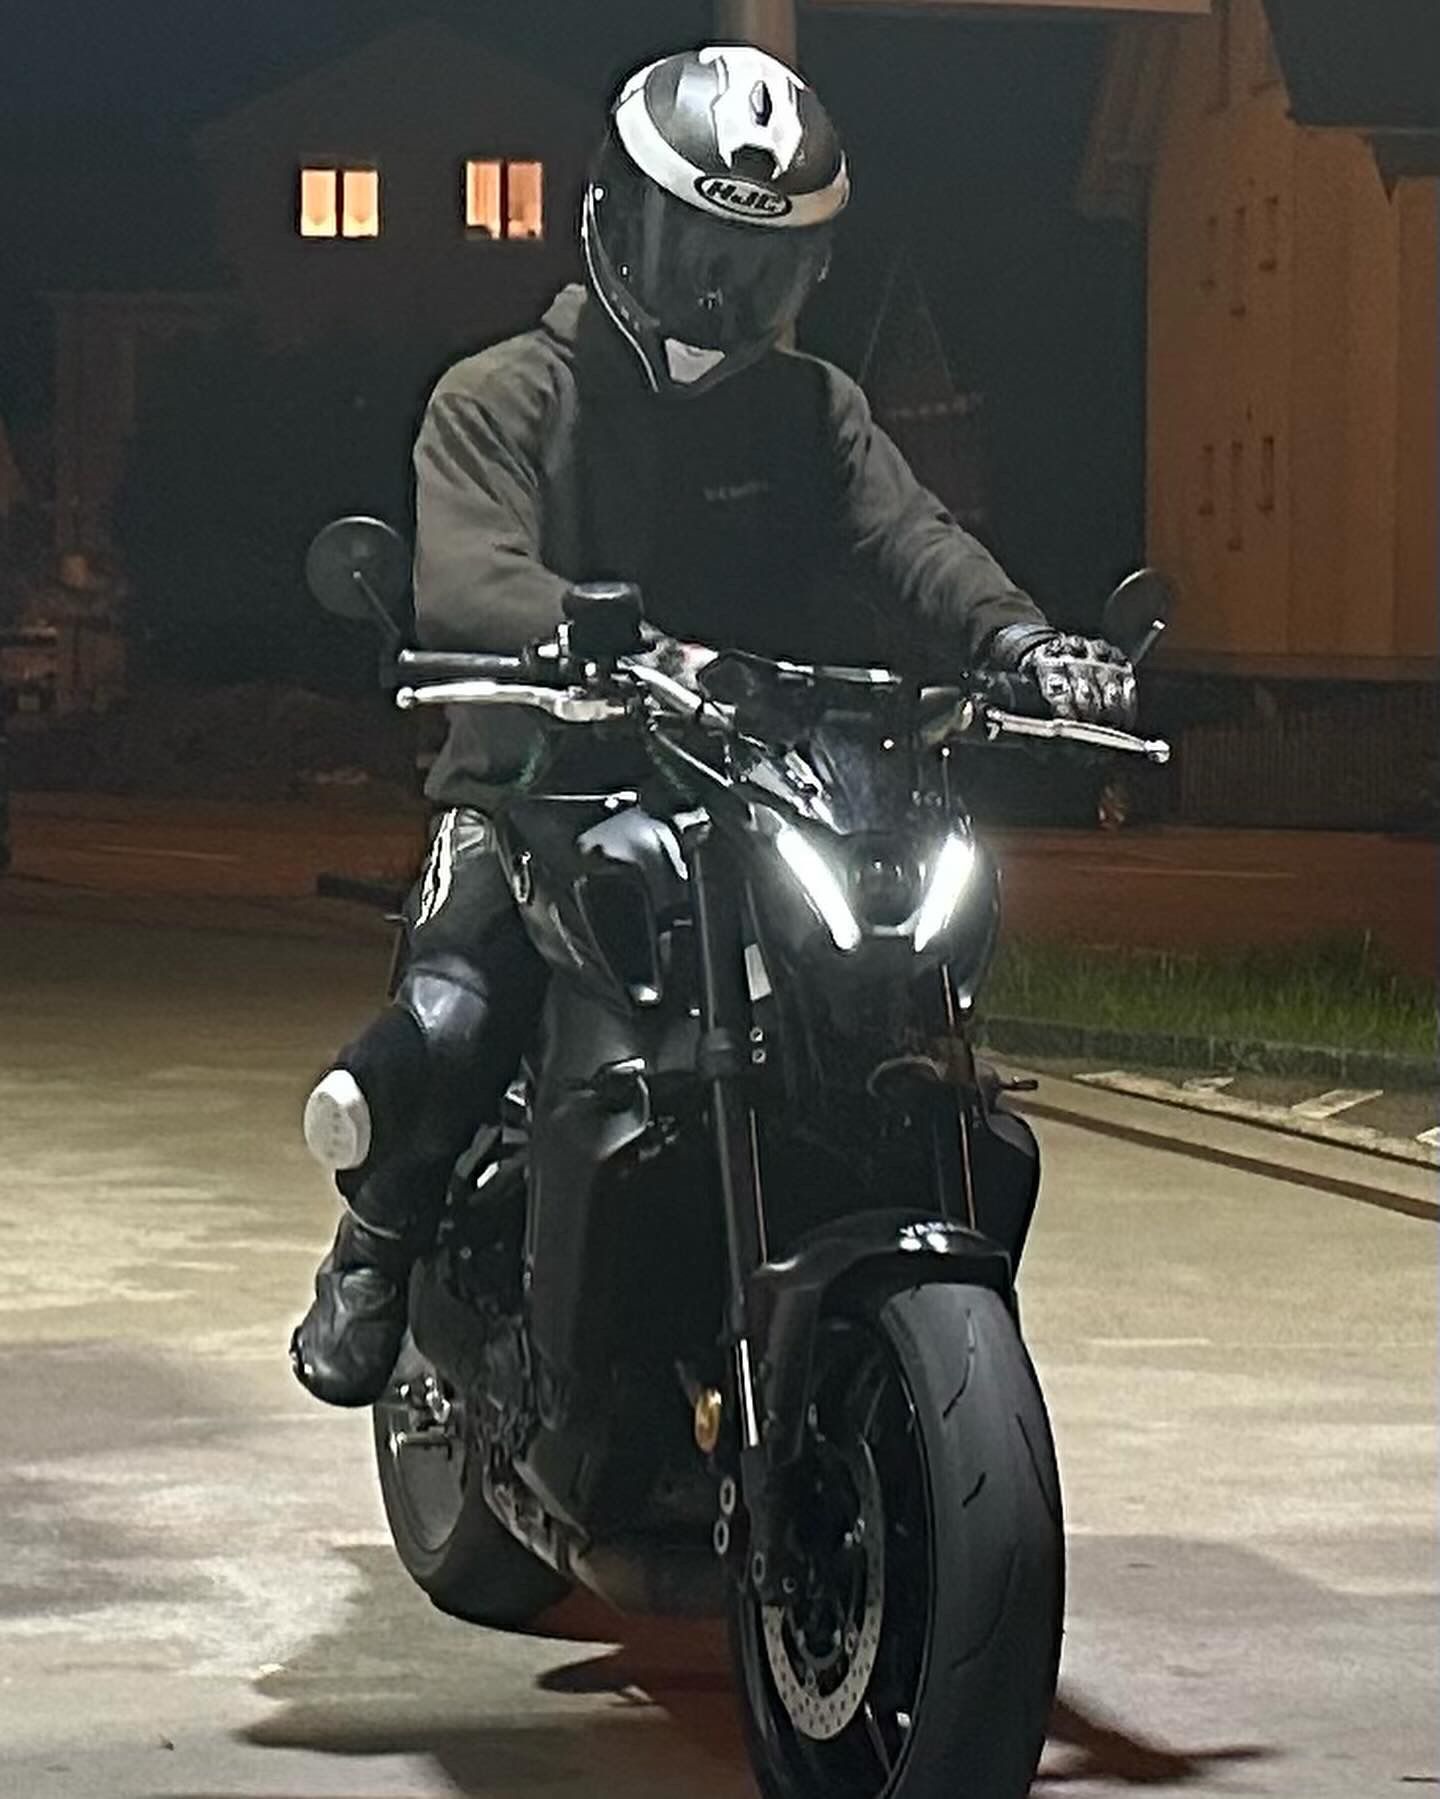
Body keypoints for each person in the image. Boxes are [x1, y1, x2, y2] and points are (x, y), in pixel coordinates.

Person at [290, 43, 1136, 1406]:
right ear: (616, 219)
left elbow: (914, 541)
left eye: (762, 269)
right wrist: (602, 637)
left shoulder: (810, 412)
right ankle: (376, 1249)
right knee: (456, 1014)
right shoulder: (500, 398)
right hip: (543, 785)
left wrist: (1024, 644)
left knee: (896, 995)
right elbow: (469, 576)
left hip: (768, 786)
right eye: (699, 256)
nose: (723, 298)